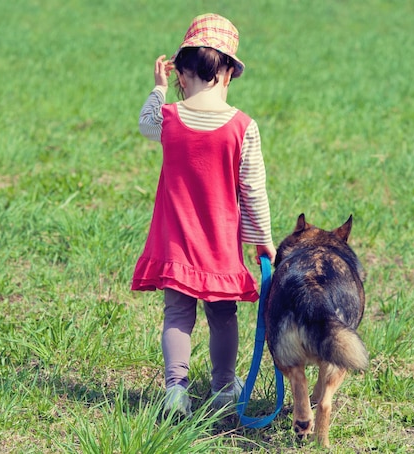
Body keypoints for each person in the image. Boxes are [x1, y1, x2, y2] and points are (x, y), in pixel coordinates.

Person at [131, 13, 277, 418]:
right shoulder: (243, 126)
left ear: (181, 71)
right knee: (223, 314)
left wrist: (158, 90)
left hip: (174, 238)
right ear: (228, 71)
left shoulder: (169, 118)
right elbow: (252, 191)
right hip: (219, 241)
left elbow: (145, 125)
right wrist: (262, 238)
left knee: (177, 313)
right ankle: (224, 387)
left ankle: (176, 389)